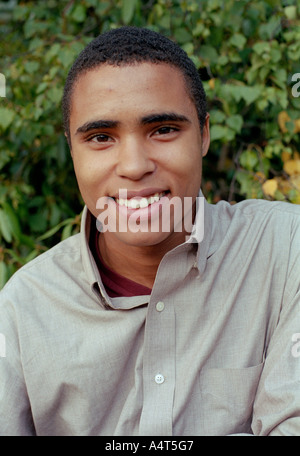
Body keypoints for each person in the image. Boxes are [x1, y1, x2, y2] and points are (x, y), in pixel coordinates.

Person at [0, 26, 300, 437]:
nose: (135, 165)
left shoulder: (285, 250)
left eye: (163, 130)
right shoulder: (22, 312)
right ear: (72, 149)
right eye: (101, 137)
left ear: (204, 134)